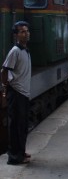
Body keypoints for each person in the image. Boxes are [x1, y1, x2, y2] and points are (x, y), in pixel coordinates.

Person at [1, 21, 31, 165]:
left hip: (24, 93)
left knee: (22, 125)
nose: (26, 34)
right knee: (16, 126)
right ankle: (14, 157)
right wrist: (5, 91)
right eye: (22, 32)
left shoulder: (25, 49)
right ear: (16, 35)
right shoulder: (15, 51)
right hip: (17, 93)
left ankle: (21, 152)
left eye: (27, 31)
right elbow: (4, 71)